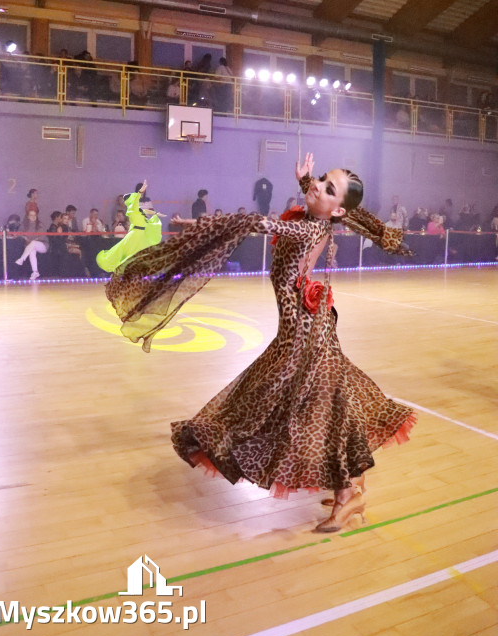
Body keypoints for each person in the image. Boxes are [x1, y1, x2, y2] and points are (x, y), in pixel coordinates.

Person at [104, 153, 415, 533]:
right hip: (303, 329)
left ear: (337, 209)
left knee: (303, 413)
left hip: (303, 338)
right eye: (320, 178)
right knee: (325, 408)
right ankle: (351, 484)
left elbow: (259, 222)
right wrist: (305, 182)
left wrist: (209, 225)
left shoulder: (309, 229)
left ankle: (349, 492)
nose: (316, 185)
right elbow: (315, 203)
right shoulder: (314, 217)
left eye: (327, 187)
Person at [96, 180, 163, 273]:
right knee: (128, 253)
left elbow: (148, 211)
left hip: (142, 233)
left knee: (143, 253)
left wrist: (155, 214)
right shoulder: (132, 208)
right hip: (136, 233)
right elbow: (136, 201)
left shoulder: (138, 207)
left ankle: (138, 272)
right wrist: (140, 192)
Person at [15, 210, 48, 279]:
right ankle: (35, 272)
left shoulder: (40, 224)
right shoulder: (24, 224)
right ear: (28, 216)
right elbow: (19, 234)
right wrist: (24, 237)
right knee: (32, 251)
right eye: (31, 215)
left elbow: (42, 236)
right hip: (30, 246)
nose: (33, 217)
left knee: (33, 243)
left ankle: (21, 259)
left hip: (42, 244)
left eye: (34, 215)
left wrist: (32, 240)